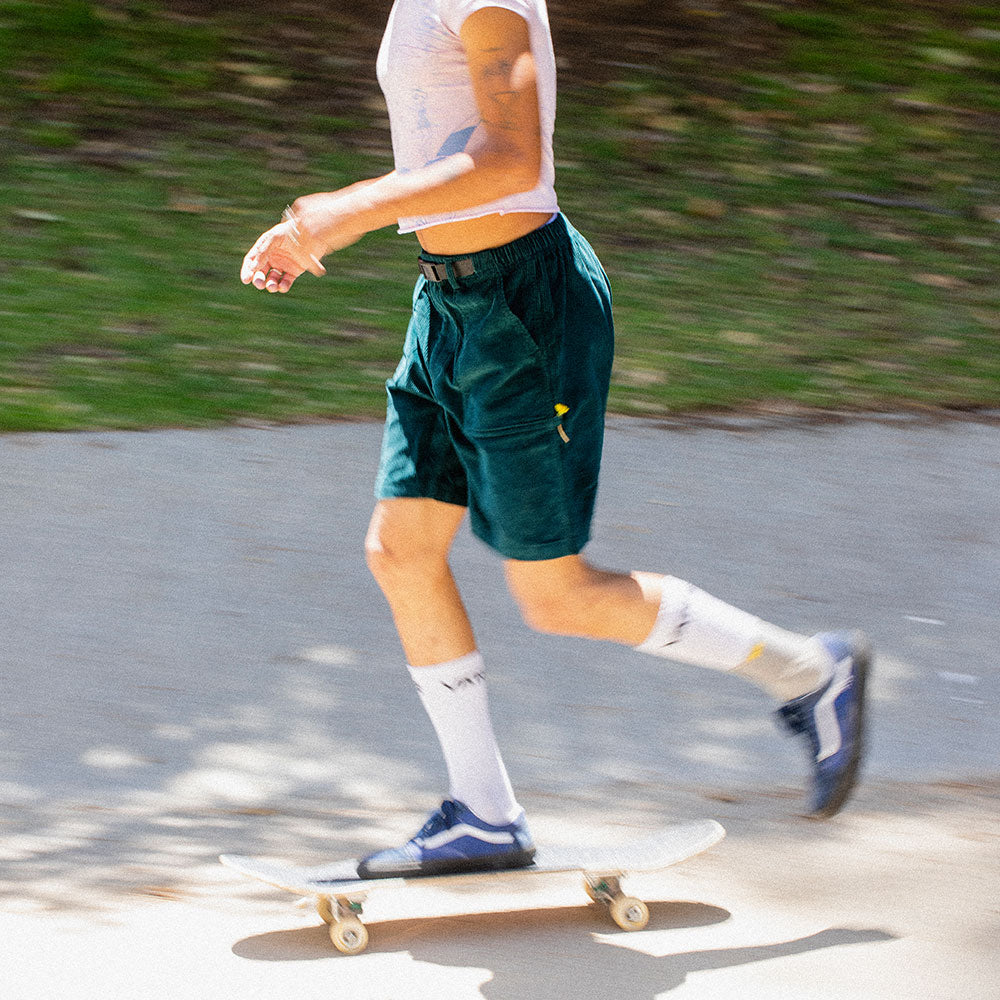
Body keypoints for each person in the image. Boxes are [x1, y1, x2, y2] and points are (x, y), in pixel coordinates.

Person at [240, 0, 871, 878]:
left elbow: (511, 157)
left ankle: (807, 672)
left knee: (558, 595)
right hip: (450, 303)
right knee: (401, 549)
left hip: (526, 312)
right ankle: (486, 813)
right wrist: (325, 224)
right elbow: (439, 140)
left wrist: (346, 211)